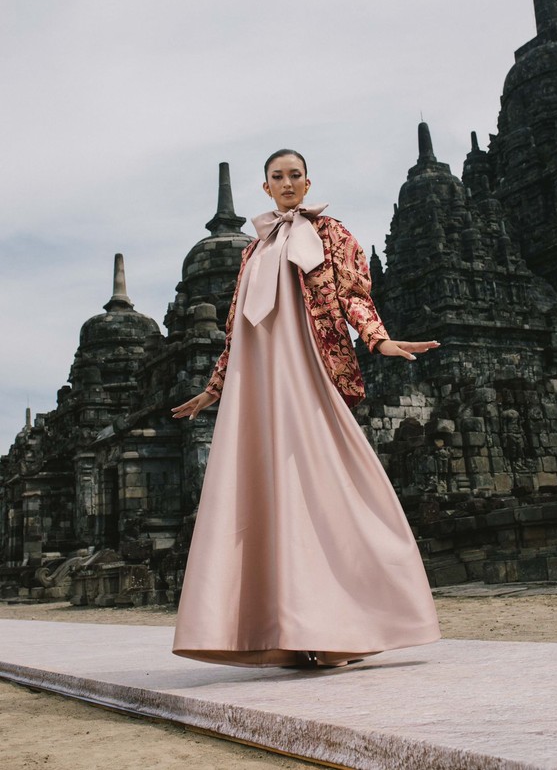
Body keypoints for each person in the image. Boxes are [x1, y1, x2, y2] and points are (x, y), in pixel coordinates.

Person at [171, 150, 442, 669]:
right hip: (257, 382)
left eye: (295, 175)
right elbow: (237, 328)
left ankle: (344, 627)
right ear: (266, 187)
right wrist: (214, 389)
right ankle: (290, 632)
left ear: (307, 182)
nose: (288, 183)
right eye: (278, 177)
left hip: (307, 368)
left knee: (323, 481)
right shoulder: (252, 251)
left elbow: (354, 294)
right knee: (266, 491)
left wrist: (379, 340)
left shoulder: (329, 233)